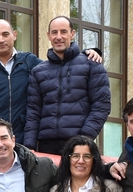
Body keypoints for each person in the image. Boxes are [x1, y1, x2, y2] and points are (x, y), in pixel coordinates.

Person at [0, 19, 102, 144]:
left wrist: (88, 52)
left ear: (14, 35)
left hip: (21, 140)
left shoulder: (30, 61)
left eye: (5, 34)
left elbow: (58, 65)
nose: (1, 40)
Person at [24, 16, 111, 154]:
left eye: (63, 32)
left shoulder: (91, 64)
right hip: (46, 146)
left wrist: (84, 139)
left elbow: (101, 105)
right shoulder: (38, 71)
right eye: (54, 32)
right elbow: (33, 112)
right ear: (48, 35)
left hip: (79, 144)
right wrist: (29, 146)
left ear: (72, 34)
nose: (58, 37)